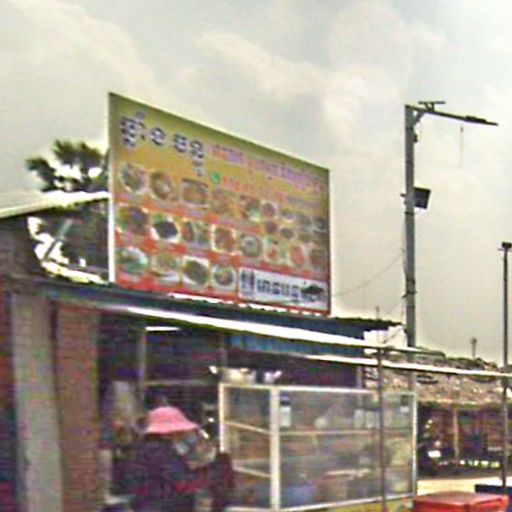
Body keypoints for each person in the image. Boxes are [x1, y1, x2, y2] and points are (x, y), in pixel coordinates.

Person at [129, 406, 219, 512]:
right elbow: (180, 481)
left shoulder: (146, 448)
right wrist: (210, 477)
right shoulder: (160, 450)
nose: (182, 434)